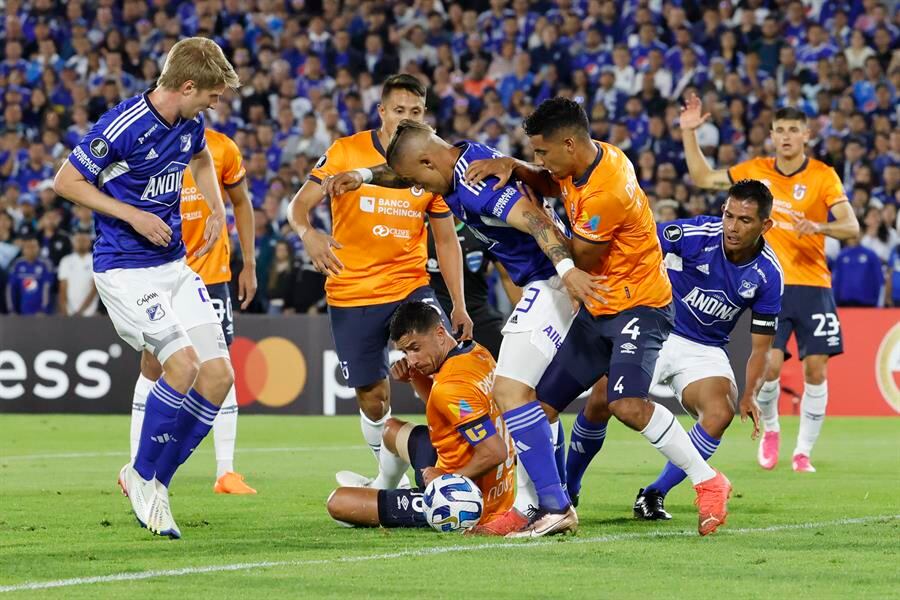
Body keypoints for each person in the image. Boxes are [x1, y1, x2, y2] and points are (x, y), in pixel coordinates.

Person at [325, 117, 611, 537]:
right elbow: (404, 174)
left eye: (415, 179)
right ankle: (540, 502)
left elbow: (535, 220)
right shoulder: (462, 156)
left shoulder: (477, 187)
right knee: (536, 399)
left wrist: (567, 271)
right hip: (548, 279)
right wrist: (364, 175)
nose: (415, 190)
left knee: (511, 391)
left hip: (551, 279)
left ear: (427, 160)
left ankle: (552, 503)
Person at [465, 98, 732, 536]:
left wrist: (532, 225)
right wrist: (514, 166)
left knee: (624, 404)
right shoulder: (591, 157)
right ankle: (531, 507)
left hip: (639, 305)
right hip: (601, 305)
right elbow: (553, 181)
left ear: (569, 144)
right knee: (537, 407)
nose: (539, 160)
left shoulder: (604, 192)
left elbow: (580, 260)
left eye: (541, 152)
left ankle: (709, 482)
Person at [53, 37, 240, 538]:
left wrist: (215, 204)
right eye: (212, 95)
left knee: (218, 377)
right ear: (186, 85)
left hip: (173, 266)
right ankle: (140, 475)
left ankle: (155, 481)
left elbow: (201, 159)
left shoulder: (190, 125)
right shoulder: (124, 126)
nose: (214, 104)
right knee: (181, 366)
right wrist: (132, 214)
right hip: (125, 269)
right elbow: (65, 182)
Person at [287, 74, 473, 491]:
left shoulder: (431, 160)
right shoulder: (344, 151)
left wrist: (458, 303)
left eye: (416, 112)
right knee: (373, 397)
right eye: (400, 111)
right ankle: (390, 479)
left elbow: (445, 238)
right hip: (351, 291)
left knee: (449, 370)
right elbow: (298, 206)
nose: (407, 118)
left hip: (410, 284)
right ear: (382, 112)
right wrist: (308, 234)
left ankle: (467, 462)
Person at [566, 180, 785, 519]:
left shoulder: (768, 274)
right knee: (601, 399)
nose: (732, 226)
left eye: (745, 220)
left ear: (765, 225)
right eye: (729, 215)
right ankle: (569, 486)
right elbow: (639, 241)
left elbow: (761, 348)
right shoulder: (696, 234)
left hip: (705, 348)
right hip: (659, 328)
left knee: (719, 414)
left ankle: (653, 494)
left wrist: (750, 394)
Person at [679, 95, 860, 472]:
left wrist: (821, 226)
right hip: (772, 286)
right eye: (779, 130)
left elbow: (852, 227)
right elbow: (703, 178)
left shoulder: (823, 175)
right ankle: (774, 429)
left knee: (817, 370)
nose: (786, 137)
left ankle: (803, 452)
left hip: (814, 284)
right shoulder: (756, 171)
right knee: (771, 367)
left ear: (806, 135)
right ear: (773, 136)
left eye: (793, 130)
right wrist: (689, 133)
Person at [128, 127, 258, 495]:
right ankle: (136, 465)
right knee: (153, 365)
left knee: (221, 366)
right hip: (163, 274)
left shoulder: (222, 147)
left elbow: (242, 203)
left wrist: (249, 263)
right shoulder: (145, 141)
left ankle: (226, 471)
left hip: (211, 275)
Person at [326, 301, 521, 535]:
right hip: (499, 489)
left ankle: (381, 493)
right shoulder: (476, 352)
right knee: (391, 430)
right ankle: (381, 488)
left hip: (460, 499)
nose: (412, 360)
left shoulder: (452, 387)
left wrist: (445, 478)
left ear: (440, 333)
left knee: (338, 502)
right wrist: (415, 377)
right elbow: (449, 408)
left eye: (415, 348)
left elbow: (494, 452)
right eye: (406, 352)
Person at [425, 217, 520, 357]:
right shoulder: (422, 230)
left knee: (509, 358)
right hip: (437, 319)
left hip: (479, 314)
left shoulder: (480, 228)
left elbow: (508, 277)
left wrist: (525, 317)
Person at [6, 233, 54, 315]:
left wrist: (43, 310)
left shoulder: (46, 264)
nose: (31, 250)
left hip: (42, 314)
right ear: (23, 249)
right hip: (21, 313)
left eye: (33, 247)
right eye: (28, 247)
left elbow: (47, 288)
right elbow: (10, 289)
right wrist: (12, 310)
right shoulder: (17, 264)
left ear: (38, 248)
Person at [56, 225, 98, 316]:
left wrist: (81, 311)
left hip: (90, 313)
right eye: (78, 240)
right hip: (69, 313)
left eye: (84, 240)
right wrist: (64, 310)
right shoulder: (66, 261)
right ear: (73, 242)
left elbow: (95, 289)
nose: (81, 243)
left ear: (89, 242)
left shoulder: (95, 260)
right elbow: (62, 288)